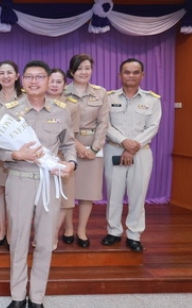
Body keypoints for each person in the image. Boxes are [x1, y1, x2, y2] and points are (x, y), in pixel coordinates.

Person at [0, 60, 76, 308]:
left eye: (39, 77)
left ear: (48, 80)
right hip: (20, 180)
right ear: (22, 81)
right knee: (18, 240)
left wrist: (71, 163)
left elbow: (69, 144)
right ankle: (17, 296)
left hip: (50, 182)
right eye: (29, 77)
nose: (34, 81)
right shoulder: (9, 111)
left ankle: (37, 298)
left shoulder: (61, 111)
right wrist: (15, 154)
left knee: (44, 242)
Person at [103, 59, 162, 252]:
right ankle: (113, 231)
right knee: (114, 193)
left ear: (142, 75)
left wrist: (132, 147)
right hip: (114, 149)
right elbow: (105, 124)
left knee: (138, 195)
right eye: (126, 72)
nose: (131, 75)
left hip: (141, 153)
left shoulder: (152, 100)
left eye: (135, 72)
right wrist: (123, 142)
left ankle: (134, 235)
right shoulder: (109, 98)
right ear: (120, 75)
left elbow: (153, 127)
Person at [63, 54, 109, 248]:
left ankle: (81, 230)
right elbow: (61, 124)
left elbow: (103, 122)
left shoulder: (101, 93)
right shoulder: (62, 92)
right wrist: (78, 146)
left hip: (92, 146)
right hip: (67, 144)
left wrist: (95, 148)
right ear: (72, 71)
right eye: (80, 68)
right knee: (67, 190)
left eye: (87, 68)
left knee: (88, 191)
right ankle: (68, 228)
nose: (84, 72)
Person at [0, 60, 22, 248]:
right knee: (0, 191)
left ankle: (12, 232)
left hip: (19, 153)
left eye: (9, 72)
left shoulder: (25, 97)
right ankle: (1, 230)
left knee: (15, 194)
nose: (6, 76)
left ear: (17, 76)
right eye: (2, 73)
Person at [47, 68, 79, 248]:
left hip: (63, 156)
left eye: (58, 82)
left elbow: (71, 136)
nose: (54, 85)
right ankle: (43, 233)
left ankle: (52, 235)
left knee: (64, 199)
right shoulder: (34, 101)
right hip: (40, 157)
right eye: (51, 81)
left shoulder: (72, 106)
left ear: (64, 85)